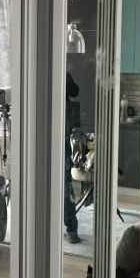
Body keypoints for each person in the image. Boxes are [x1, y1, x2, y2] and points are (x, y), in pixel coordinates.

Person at [64, 73, 81, 244]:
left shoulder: (63, 73)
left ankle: (71, 229)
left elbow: (75, 91)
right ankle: (71, 230)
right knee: (65, 185)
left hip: (63, 140)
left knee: (65, 185)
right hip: (60, 141)